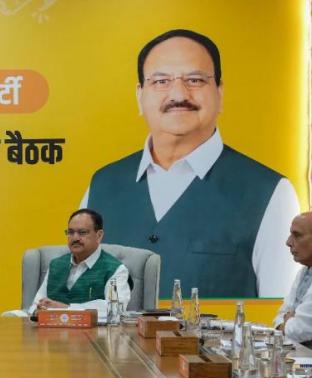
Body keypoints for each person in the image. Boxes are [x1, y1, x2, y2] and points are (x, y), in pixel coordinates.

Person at [82, 29, 299, 298]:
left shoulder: (270, 193)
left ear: (219, 92)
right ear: (140, 95)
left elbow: (284, 313)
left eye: (195, 80)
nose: (178, 94)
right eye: (161, 81)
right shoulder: (102, 185)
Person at [29, 209, 131, 317]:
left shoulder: (115, 269)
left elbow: (115, 309)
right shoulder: (55, 265)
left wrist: (67, 309)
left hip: (94, 328)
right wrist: (37, 311)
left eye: (82, 232)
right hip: (51, 327)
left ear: (99, 235)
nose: (75, 238)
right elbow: (36, 306)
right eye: (70, 232)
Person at [275, 211, 312, 345]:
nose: (288, 242)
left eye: (297, 235)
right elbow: (278, 319)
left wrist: (287, 322)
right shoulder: (304, 271)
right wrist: (287, 322)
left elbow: (300, 330)